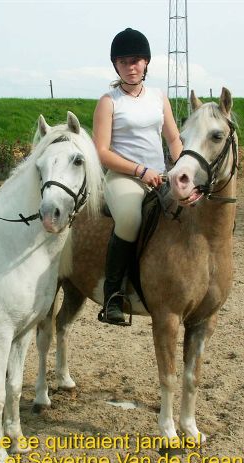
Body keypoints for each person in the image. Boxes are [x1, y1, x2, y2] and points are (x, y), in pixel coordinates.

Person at [93, 28, 183, 325]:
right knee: (131, 219)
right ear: (116, 65)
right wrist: (140, 171)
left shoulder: (158, 97)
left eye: (135, 61)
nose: (130, 67)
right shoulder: (109, 101)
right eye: (123, 62)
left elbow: (173, 139)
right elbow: (101, 151)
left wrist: (181, 167)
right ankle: (113, 295)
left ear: (145, 63)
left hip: (160, 177)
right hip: (124, 178)